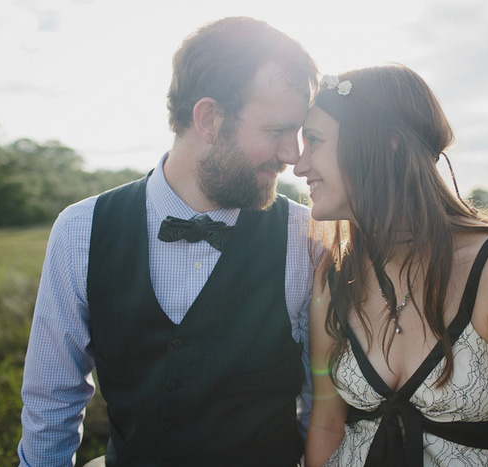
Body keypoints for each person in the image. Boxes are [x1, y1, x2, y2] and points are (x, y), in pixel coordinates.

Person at [18, 17, 318, 466]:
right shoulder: (80, 230)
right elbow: (51, 402)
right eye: (277, 131)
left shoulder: (307, 237)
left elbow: (321, 406)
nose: (293, 156)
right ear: (209, 119)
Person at [294, 66, 488, 466]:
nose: (299, 166)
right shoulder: (334, 274)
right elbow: (327, 424)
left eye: (315, 142)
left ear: (386, 143)